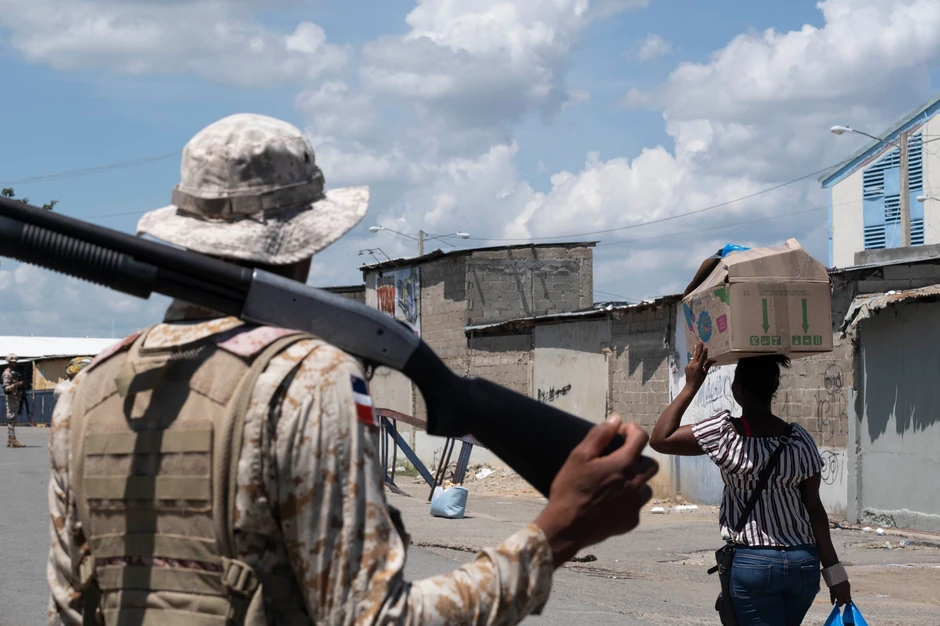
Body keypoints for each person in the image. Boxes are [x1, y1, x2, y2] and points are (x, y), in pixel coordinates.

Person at [47, 113, 659, 626]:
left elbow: (70, 610)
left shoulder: (86, 391)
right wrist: (553, 536)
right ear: (306, 245)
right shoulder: (306, 380)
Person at [649, 342, 851, 626]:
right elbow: (815, 511)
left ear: (738, 390)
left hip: (753, 564)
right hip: (802, 564)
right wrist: (836, 576)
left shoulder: (724, 435)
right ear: (773, 389)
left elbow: (659, 438)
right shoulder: (798, 439)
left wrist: (691, 386)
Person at [3, 353, 26, 448]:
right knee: (11, 419)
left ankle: (10, 439)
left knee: (13, 419)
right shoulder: (7, 374)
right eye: (12, 362)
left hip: (15, 398)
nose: (14, 364)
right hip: (11, 399)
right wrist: (16, 385)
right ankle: (13, 439)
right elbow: (6, 388)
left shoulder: (13, 372)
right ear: (9, 362)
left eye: (15, 362)